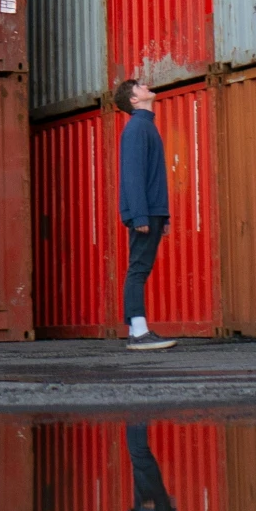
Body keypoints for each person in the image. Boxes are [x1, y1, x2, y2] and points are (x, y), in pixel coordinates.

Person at [112, 77, 174, 349]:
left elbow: (153, 177)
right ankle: (138, 332)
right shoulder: (137, 128)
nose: (145, 85)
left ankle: (137, 329)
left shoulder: (146, 127)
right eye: (139, 86)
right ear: (134, 100)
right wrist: (139, 216)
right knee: (137, 270)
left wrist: (164, 215)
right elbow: (133, 176)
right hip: (144, 213)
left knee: (141, 268)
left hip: (152, 211)